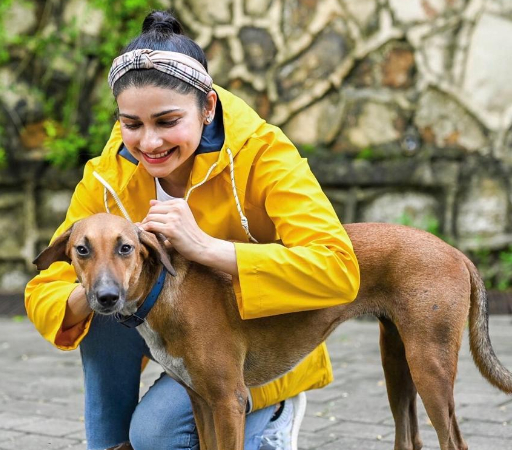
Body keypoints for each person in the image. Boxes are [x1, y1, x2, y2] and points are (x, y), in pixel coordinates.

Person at [25, 10, 360, 450]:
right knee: (99, 308)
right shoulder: (108, 176)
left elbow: (337, 267)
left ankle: (273, 415)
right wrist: (102, 280)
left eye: (167, 122)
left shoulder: (265, 154)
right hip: (165, 330)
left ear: (207, 109)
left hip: (252, 348)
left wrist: (208, 248)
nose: (149, 143)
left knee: (156, 435)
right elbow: (43, 290)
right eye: (132, 124)